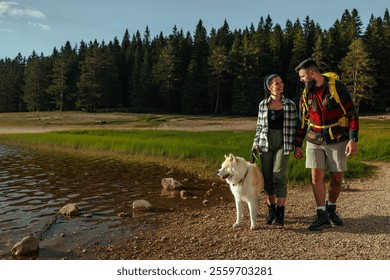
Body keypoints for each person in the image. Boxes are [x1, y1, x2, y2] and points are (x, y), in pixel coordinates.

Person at [294, 58, 359, 231]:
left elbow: (352, 113)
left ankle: (331, 208)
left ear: (311, 73)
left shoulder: (337, 87)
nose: (301, 80)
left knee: (337, 179)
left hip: (337, 138)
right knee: (316, 177)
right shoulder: (305, 93)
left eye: (302, 76)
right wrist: (298, 144)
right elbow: (302, 120)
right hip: (314, 138)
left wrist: (353, 139)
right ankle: (321, 214)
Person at [252, 74, 297, 226]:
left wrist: (297, 146)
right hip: (265, 143)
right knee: (267, 178)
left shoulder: (290, 105)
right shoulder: (262, 105)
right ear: (269, 87)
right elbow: (259, 127)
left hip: (283, 143)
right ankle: (271, 209)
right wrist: (255, 144)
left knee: (279, 175)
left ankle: (280, 211)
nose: (280, 85)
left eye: (281, 82)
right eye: (276, 83)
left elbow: (295, 128)